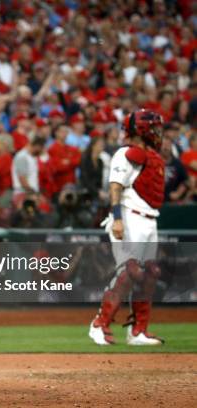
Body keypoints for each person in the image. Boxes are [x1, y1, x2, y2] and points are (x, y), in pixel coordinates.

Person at [89, 109, 165, 346]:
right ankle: (99, 324)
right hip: (129, 217)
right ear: (142, 129)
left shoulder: (150, 156)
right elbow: (115, 186)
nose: (157, 131)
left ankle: (138, 331)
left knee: (150, 273)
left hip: (149, 218)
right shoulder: (126, 154)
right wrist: (117, 217)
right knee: (129, 271)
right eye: (153, 127)